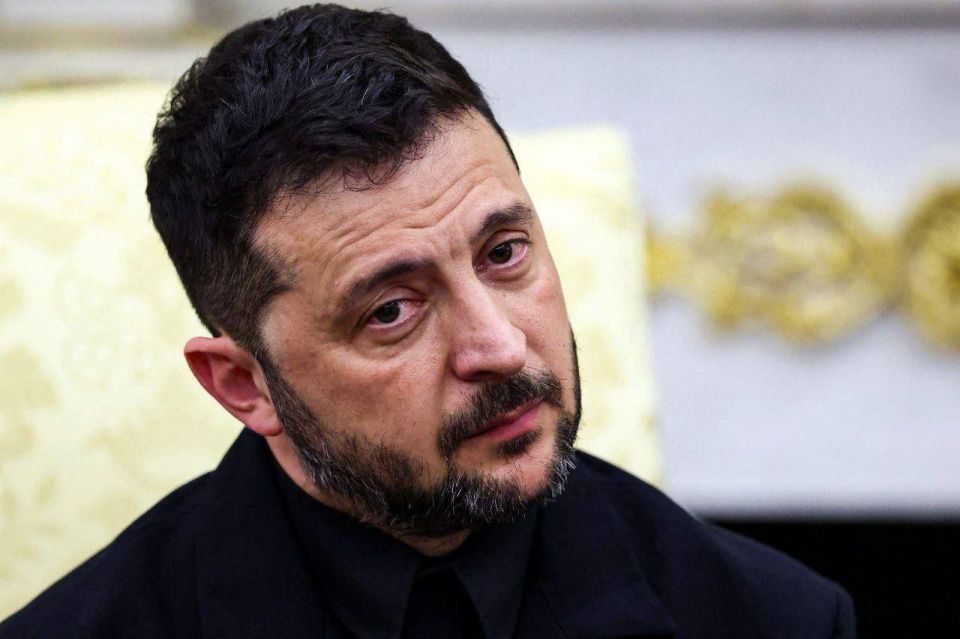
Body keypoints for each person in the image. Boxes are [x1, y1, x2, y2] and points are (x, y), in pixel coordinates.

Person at [1, 4, 855, 637]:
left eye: (504, 253)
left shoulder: (776, 618)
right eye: (393, 310)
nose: (500, 346)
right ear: (244, 384)